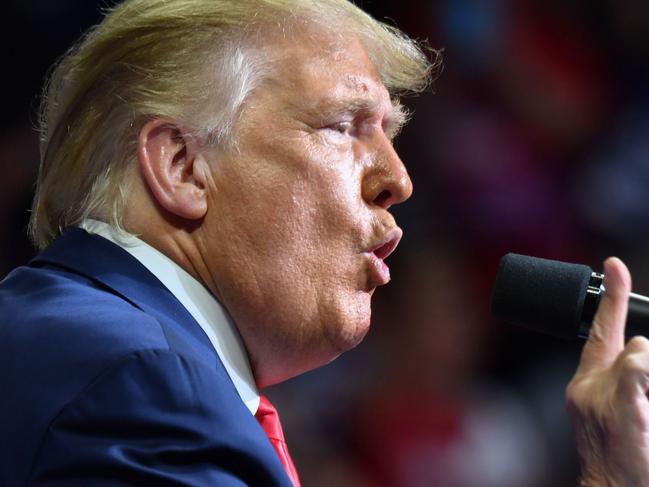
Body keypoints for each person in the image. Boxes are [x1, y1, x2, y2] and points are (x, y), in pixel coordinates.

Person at [0, 0, 647, 486]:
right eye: (345, 125)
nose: (398, 178)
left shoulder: (98, 347)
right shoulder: (136, 382)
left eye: (390, 134)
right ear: (181, 166)